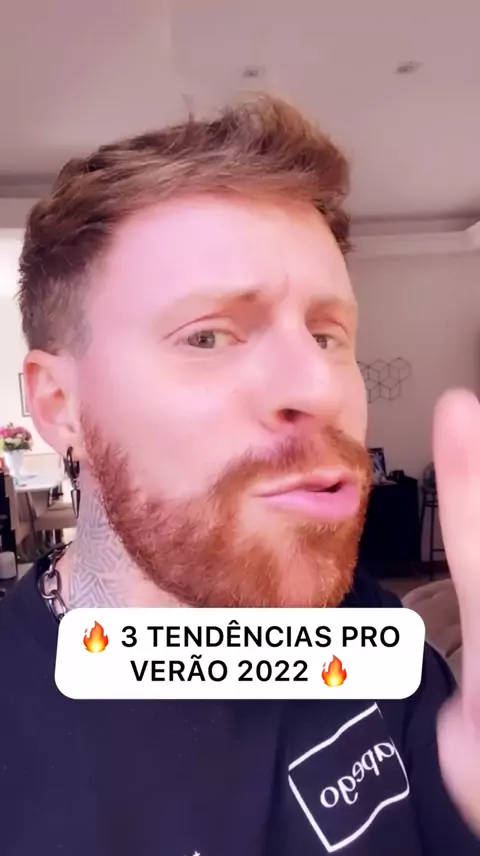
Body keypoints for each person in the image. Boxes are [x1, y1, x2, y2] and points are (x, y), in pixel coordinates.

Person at [0, 94, 479, 855]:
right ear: (61, 405)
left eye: (327, 335)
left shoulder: (365, 629)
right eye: (209, 336)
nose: (319, 388)